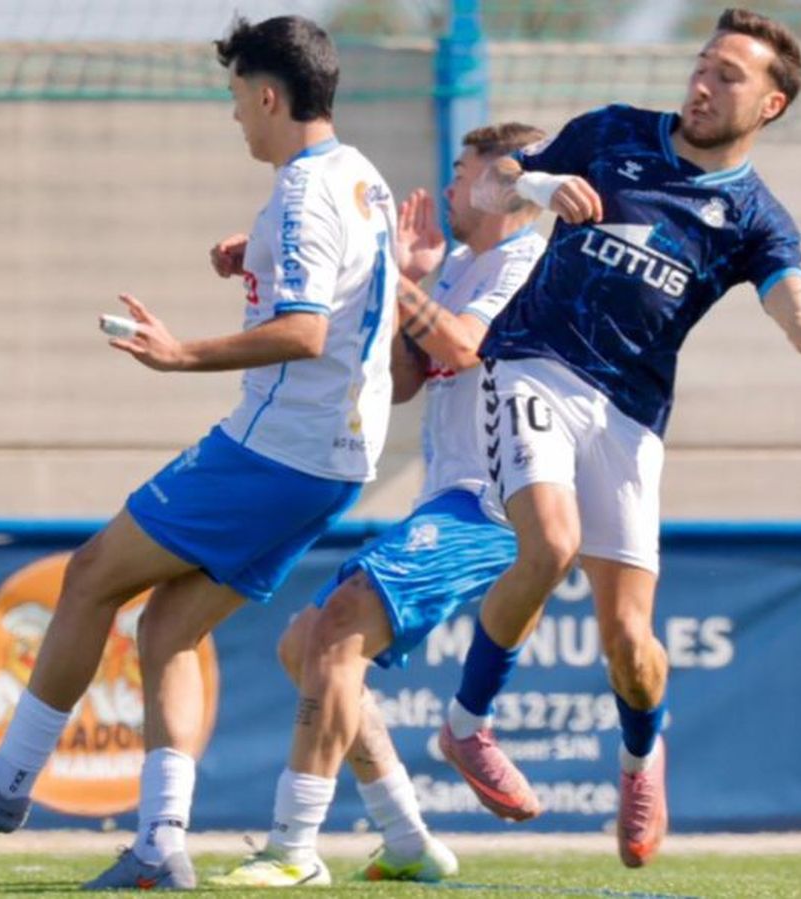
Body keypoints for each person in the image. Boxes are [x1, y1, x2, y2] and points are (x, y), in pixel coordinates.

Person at [0, 15, 399, 891]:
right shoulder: (359, 177)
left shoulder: (302, 194)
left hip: (275, 449)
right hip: (333, 458)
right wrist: (258, 260)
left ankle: (6, 779)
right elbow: (348, 287)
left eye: (238, 97)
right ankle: (160, 845)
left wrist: (180, 354)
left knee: (92, 572)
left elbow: (308, 330)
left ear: (272, 95)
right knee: (165, 627)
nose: (236, 115)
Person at [436, 7, 801, 869]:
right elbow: (487, 189)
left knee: (631, 645)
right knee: (548, 545)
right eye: (703, 64)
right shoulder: (613, 133)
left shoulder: (757, 219)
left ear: (770, 105)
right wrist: (538, 185)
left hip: (631, 415)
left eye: (730, 75)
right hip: (534, 364)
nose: (703, 83)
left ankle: (641, 756)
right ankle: (466, 727)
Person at [210, 123, 549, 888]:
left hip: (494, 505)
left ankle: (293, 847)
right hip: (451, 497)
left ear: (508, 183)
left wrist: (383, 275)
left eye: (463, 176)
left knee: (332, 633)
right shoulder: (463, 264)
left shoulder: (530, 262)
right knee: (306, 645)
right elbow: (404, 381)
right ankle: (406, 837)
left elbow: (463, 347)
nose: (452, 189)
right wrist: (407, 284)